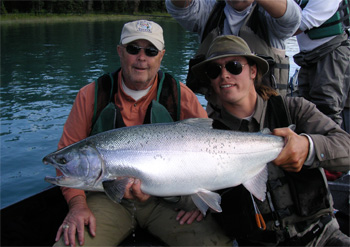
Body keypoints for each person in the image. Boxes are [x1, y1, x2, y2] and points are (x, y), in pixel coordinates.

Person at [53, 20, 231, 247]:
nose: (141, 57)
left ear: (161, 56)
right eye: (133, 49)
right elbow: (64, 158)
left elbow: (211, 151)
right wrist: (77, 205)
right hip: (105, 200)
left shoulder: (180, 95)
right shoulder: (90, 95)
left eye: (151, 50)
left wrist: (198, 197)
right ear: (120, 51)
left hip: (168, 202)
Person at [191, 35, 350, 246]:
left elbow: (346, 148)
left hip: (323, 237)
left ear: (253, 71)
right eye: (215, 70)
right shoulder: (203, 135)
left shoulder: (295, 110)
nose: (224, 75)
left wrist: (309, 147)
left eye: (234, 66)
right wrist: (187, 200)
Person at [166, 0, 301, 102]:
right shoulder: (209, 10)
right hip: (219, 114)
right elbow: (178, 8)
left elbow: (292, 17)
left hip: (268, 110)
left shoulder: (271, 14)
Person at [293, 0, 350, 134]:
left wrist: (276, 30)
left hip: (330, 53)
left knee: (327, 108)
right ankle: (312, 148)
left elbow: (305, 21)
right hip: (309, 57)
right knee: (306, 109)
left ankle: (334, 150)